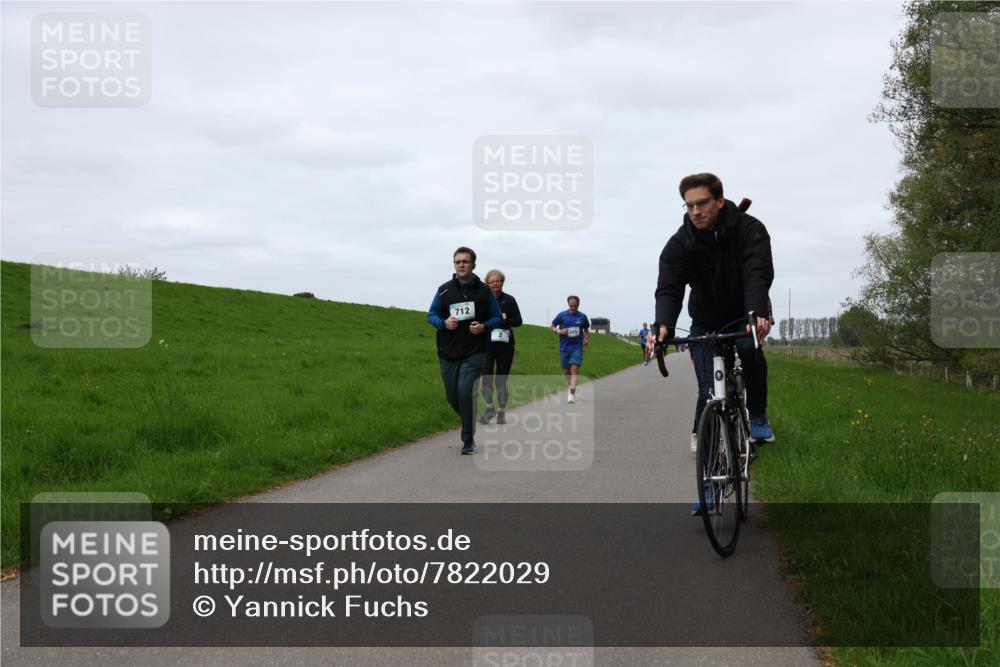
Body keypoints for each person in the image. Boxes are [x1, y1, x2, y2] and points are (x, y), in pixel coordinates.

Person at [649, 173, 775, 471]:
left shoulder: (749, 229)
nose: (695, 211)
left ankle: (757, 413)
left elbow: (757, 272)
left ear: (719, 200)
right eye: (689, 206)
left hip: (744, 312)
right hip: (705, 319)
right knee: (708, 394)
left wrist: (756, 312)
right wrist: (663, 324)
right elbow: (669, 287)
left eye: (702, 203)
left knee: (748, 348)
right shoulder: (680, 244)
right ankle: (708, 485)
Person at [427, 247, 502, 454]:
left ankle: (468, 440)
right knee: (453, 397)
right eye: (457, 261)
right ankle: (469, 419)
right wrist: (443, 323)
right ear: (454, 265)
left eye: (465, 261)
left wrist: (483, 327)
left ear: (473, 265)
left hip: (474, 351)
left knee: (465, 391)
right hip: (448, 351)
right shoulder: (444, 290)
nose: (461, 265)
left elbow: (497, 317)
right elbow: (431, 315)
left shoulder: (484, 291)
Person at [479, 269, 523, 425]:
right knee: (486, 377)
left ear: (502, 282)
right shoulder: (483, 300)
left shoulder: (509, 300)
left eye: (497, 281)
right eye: (491, 282)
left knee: (501, 380)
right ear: (487, 284)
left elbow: (518, 321)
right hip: (487, 345)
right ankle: (489, 408)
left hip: (505, 346)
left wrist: (506, 320)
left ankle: (502, 412)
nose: (494, 284)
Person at [550, 295, 590, 403]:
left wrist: (586, 339)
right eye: (571, 305)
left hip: (577, 347)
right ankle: (571, 386)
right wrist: (559, 331)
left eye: (575, 305)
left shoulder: (582, 317)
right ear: (568, 305)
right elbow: (551, 326)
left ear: (578, 305)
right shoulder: (562, 315)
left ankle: (571, 394)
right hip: (564, 347)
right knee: (566, 371)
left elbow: (586, 330)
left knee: (575, 369)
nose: (573, 307)